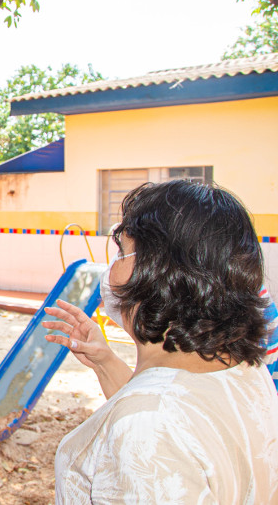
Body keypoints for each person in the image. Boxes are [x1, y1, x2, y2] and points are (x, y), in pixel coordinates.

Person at [44, 180, 278, 504]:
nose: (110, 269)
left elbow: (154, 426)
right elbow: (182, 414)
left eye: (122, 252)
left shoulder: (148, 425)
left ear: (158, 269)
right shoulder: (247, 370)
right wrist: (107, 362)